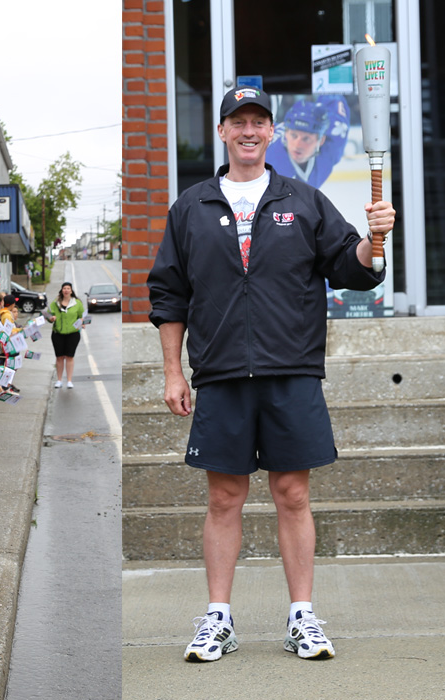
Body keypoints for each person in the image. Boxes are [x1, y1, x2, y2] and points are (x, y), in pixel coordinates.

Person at [147, 86, 394, 663]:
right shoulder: (190, 207)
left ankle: (302, 616)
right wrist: (173, 373)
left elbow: (352, 267)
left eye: (259, 121)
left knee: (292, 493)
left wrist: (374, 239)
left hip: (292, 371)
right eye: (239, 122)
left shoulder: (303, 200)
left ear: (271, 133)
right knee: (224, 498)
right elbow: (169, 295)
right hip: (221, 374)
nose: (249, 131)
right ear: (223, 132)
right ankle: (218, 618)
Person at [266, 96, 349, 190]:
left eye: (306, 139)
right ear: (286, 134)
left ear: (321, 140)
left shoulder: (333, 144)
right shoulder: (268, 161)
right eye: (294, 136)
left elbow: (333, 95)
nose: (297, 145)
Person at [48, 282, 83, 389]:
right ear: (61, 290)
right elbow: (48, 315)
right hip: (58, 334)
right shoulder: (55, 303)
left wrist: (82, 322)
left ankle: (69, 380)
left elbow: (82, 316)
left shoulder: (77, 303)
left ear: (71, 291)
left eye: (68, 288)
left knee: (69, 356)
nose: (66, 290)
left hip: (73, 334)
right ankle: (59, 380)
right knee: (59, 357)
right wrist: (51, 318)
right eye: (64, 288)